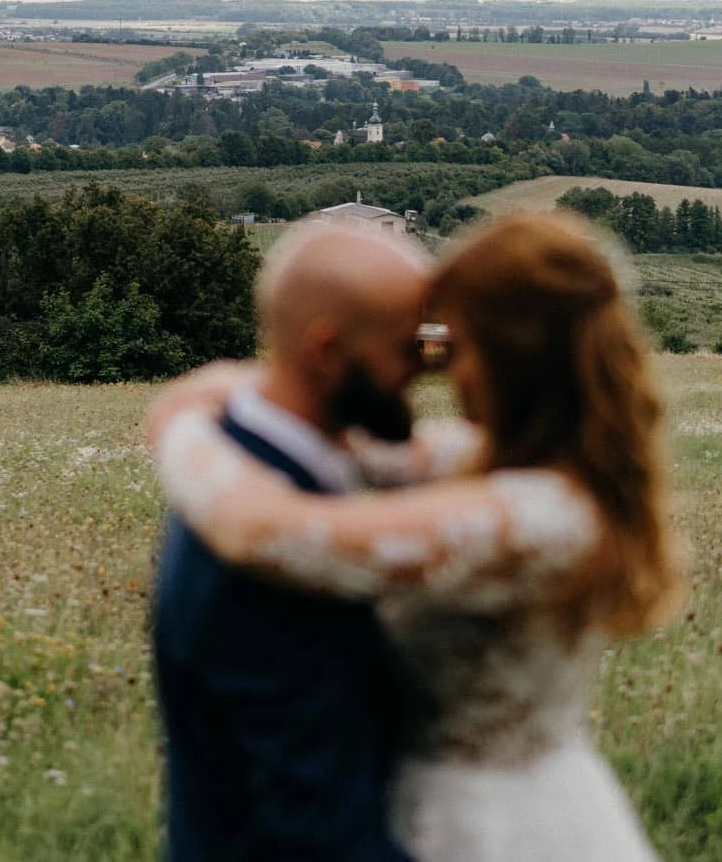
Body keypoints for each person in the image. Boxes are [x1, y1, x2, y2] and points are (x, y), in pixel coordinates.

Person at [148, 212, 681, 862]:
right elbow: (366, 447)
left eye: (451, 348)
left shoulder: (537, 518)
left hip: (500, 825)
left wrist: (177, 428)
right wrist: (242, 389)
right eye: (422, 348)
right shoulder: (500, 462)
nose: (435, 371)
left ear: (510, 361)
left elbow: (260, 527)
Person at [148, 220, 445, 862]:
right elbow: (321, 832)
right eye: (406, 348)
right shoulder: (260, 560)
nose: (420, 371)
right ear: (329, 351)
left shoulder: (251, 466)